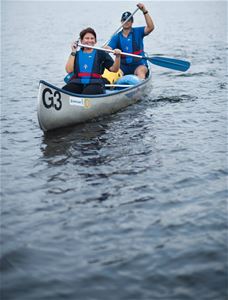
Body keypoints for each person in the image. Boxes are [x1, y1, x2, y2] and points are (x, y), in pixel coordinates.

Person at [63, 27, 121, 94]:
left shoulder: (101, 53)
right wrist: (73, 51)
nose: (89, 41)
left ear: (95, 41)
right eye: (87, 38)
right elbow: (69, 70)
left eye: (92, 38)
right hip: (77, 82)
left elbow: (114, 69)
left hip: (95, 83)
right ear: (81, 41)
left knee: (87, 92)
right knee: (65, 90)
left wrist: (117, 56)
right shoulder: (76, 54)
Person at [107, 3, 154, 79]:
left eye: (128, 20)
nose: (126, 22)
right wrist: (106, 49)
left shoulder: (138, 31)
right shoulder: (116, 37)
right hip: (123, 67)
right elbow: (108, 47)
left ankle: (140, 87)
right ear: (121, 22)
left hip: (139, 64)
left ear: (132, 22)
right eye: (124, 20)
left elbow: (151, 27)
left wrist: (144, 11)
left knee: (140, 72)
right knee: (113, 75)